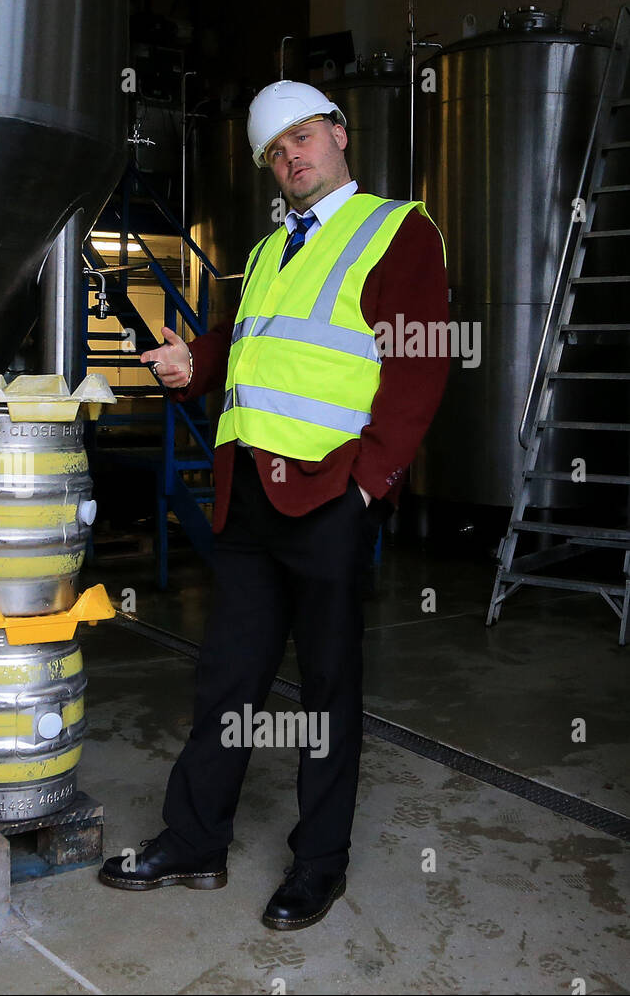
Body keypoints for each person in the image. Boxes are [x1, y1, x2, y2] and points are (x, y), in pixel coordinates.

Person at [98, 80, 450, 930]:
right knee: (228, 678)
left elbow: (419, 364)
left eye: (301, 138)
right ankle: (196, 841)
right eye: (274, 152)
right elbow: (251, 339)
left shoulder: (396, 230)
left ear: (336, 134)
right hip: (251, 495)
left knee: (328, 691)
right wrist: (198, 361)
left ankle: (319, 864)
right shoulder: (265, 251)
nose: (291, 157)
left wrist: (373, 483)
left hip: (332, 493)